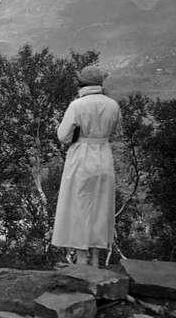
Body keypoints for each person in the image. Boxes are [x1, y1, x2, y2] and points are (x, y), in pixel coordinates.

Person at [51, 66, 122, 267]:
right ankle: (96, 259)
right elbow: (117, 132)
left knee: (79, 207)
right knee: (102, 207)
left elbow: (63, 136)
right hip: (104, 157)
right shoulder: (113, 105)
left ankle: (81, 258)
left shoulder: (77, 105)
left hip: (81, 157)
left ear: (81, 83)